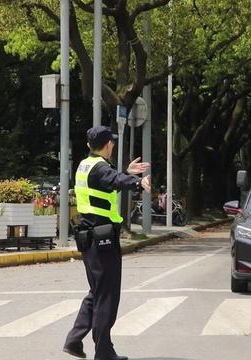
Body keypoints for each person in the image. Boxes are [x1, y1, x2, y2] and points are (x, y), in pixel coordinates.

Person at [64, 125, 151, 360]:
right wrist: (136, 182)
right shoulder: (100, 168)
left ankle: (74, 340)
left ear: (88, 145)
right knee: (107, 296)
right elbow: (111, 178)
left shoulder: (85, 165)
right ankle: (103, 352)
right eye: (111, 142)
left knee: (97, 292)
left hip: (89, 238)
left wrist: (126, 173)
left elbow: (106, 180)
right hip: (101, 240)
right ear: (108, 144)